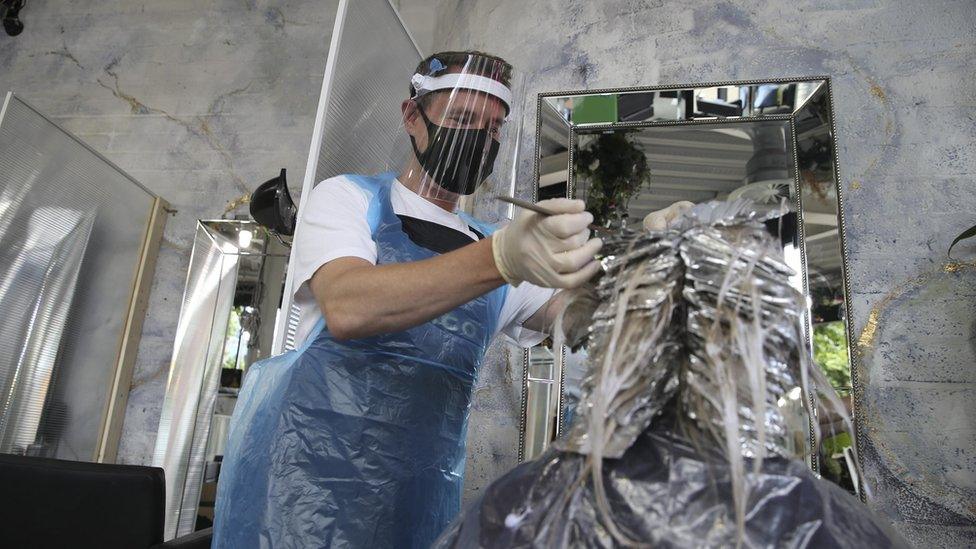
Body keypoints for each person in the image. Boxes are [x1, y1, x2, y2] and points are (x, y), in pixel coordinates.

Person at [211, 51, 603, 549]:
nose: (479, 140)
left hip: (415, 504)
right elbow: (351, 307)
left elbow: (583, 322)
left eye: (493, 128)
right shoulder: (347, 200)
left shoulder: (500, 245)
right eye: (462, 119)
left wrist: (657, 261)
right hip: (300, 495)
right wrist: (500, 257)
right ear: (412, 116)